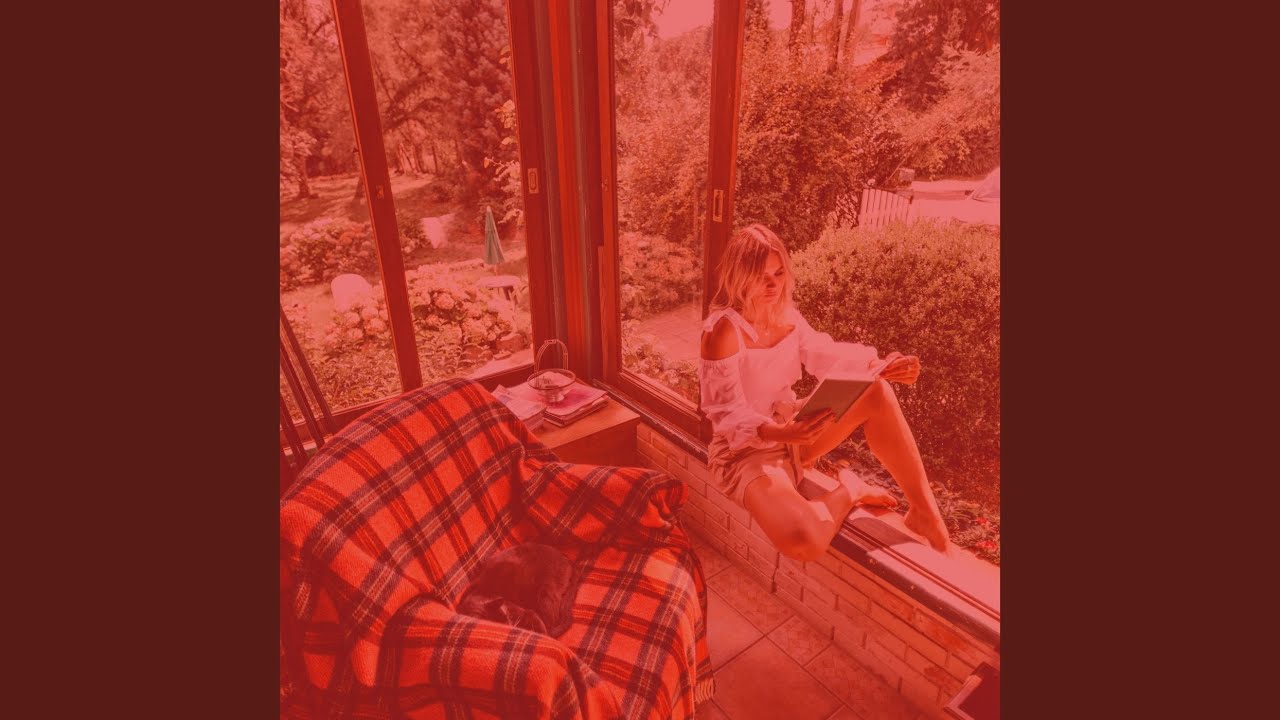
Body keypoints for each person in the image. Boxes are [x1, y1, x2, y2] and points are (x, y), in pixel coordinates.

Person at [699, 224, 951, 561]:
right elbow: (725, 414)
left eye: (778, 273)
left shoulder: (787, 317)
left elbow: (825, 353)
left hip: (794, 431)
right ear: (738, 276)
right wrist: (780, 432)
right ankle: (851, 489)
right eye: (761, 276)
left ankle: (924, 512)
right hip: (746, 451)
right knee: (803, 541)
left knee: (876, 389)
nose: (773, 285)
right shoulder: (722, 332)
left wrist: (882, 364)